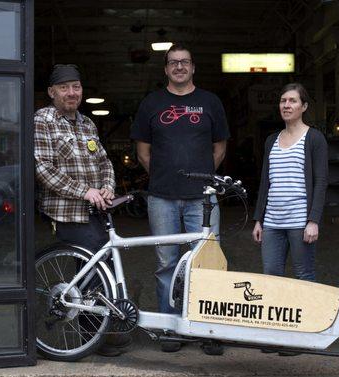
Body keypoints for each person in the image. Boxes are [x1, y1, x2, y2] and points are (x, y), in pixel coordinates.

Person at [130, 43, 230, 353]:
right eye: (173, 63)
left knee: (207, 264)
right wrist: (165, 175)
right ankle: (170, 328)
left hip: (202, 199)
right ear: (166, 69)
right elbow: (143, 151)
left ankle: (208, 329)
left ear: (193, 67)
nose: (179, 67)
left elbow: (220, 147)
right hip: (161, 198)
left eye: (184, 62)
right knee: (166, 264)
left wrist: (200, 178)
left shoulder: (210, 102)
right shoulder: (152, 103)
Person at [34, 64, 129, 357]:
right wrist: (84, 191)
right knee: (96, 272)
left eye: (76, 87)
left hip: (95, 209)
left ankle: (97, 332)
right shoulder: (43, 120)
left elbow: (104, 163)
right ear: (52, 92)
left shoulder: (87, 123)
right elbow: (42, 167)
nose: (71, 92)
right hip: (67, 210)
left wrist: (107, 187)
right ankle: (92, 335)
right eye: (64, 87)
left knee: (101, 270)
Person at [252, 83, 328, 282]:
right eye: (283, 101)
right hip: (272, 222)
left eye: (292, 101)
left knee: (304, 276)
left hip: (300, 222)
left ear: (303, 107)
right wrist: (259, 219)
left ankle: (309, 315)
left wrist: (313, 221)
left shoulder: (314, 138)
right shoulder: (271, 141)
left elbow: (321, 181)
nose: (286, 105)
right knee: (270, 277)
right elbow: (265, 183)